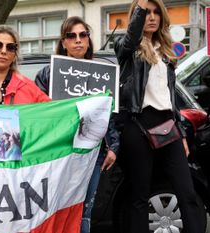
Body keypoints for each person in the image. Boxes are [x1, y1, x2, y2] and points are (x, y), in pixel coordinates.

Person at [114, 0, 202, 232]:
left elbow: (170, 98)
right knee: (139, 196)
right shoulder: (126, 46)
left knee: (187, 193)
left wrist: (181, 132)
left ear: (162, 17)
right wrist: (141, 6)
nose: (151, 17)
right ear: (137, 16)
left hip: (167, 125)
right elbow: (130, 39)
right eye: (145, 13)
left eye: (156, 13)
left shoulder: (166, 51)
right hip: (137, 125)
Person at [34, 16, 118, 233]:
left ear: (88, 40)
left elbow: (114, 114)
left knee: (84, 210)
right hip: (58, 153)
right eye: (71, 36)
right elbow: (37, 114)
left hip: (93, 153)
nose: (78, 40)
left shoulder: (103, 74)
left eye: (83, 35)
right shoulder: (47, 74)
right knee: (56, 209)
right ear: (64, 42)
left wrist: (113, 147)